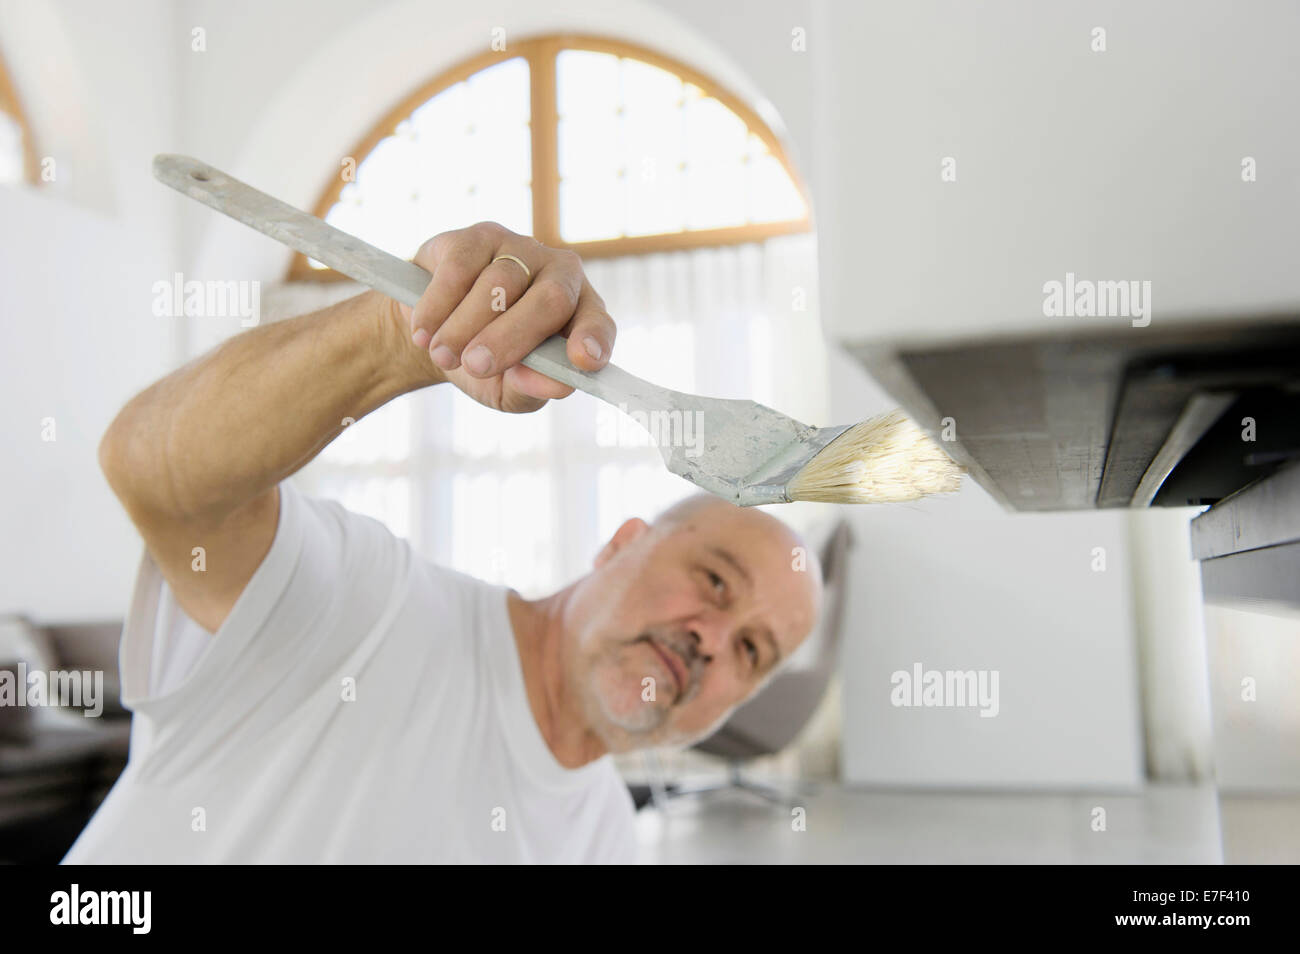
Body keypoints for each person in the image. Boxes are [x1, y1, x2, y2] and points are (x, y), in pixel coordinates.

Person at [64, 222, 822, 864]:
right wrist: (398, 336)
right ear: (623, 543)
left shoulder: (603, 839)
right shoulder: (366, 606)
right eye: (715, 583)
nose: (713, 641)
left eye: (752, 651)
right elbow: (151, 468)